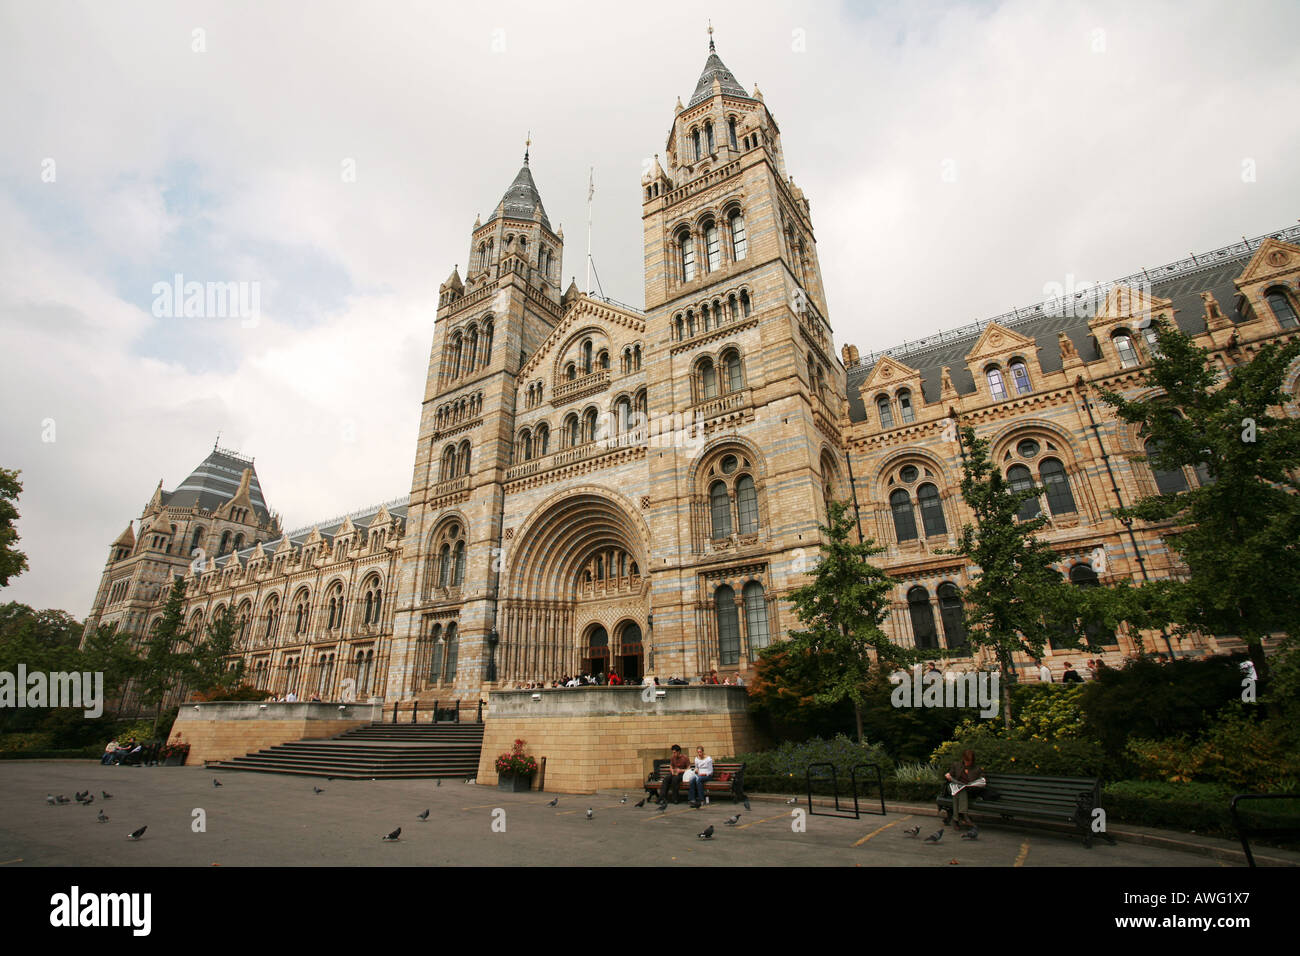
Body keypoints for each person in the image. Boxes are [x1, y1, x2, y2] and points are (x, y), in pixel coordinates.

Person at [944, 749, 986, 828]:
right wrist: (948, 776)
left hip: (968, 790)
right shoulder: (957, 765)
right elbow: (950, 774)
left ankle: (956, 819)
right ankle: (964, 816)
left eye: (969, 761)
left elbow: (982, 778)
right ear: (963, 759)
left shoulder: (976, 768)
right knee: (958, 791)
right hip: (954, 786)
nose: (967, 763)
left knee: (959, 792)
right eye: (966, 761)